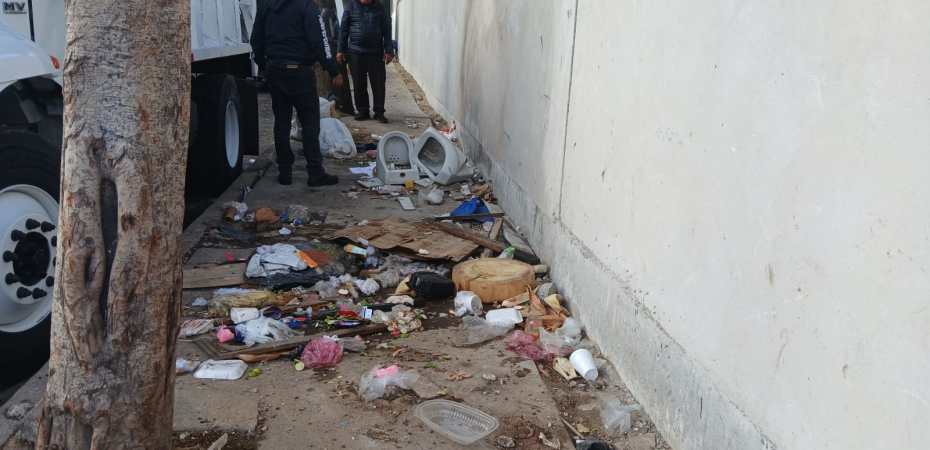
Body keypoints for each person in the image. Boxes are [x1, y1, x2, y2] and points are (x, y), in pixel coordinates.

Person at [251, 0, 344, 186]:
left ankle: (285, 172)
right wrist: (333, 70)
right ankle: (315, 172)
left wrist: (265, 65)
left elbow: (255, 40)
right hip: (301, 73)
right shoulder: (307, 6)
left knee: (281, 123)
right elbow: (320, 41)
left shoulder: (266, 5)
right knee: (310, 123)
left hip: (276, 70)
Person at [337, 0, 394, 123]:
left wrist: (389, 50)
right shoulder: (350, 6)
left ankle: (379, 112)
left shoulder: (380, 8)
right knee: (358, 83)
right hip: (355, 52)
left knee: (379, 84)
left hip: (376, 52)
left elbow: (387, 29)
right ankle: (363, 111)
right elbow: (343, 30)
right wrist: (340, 50)